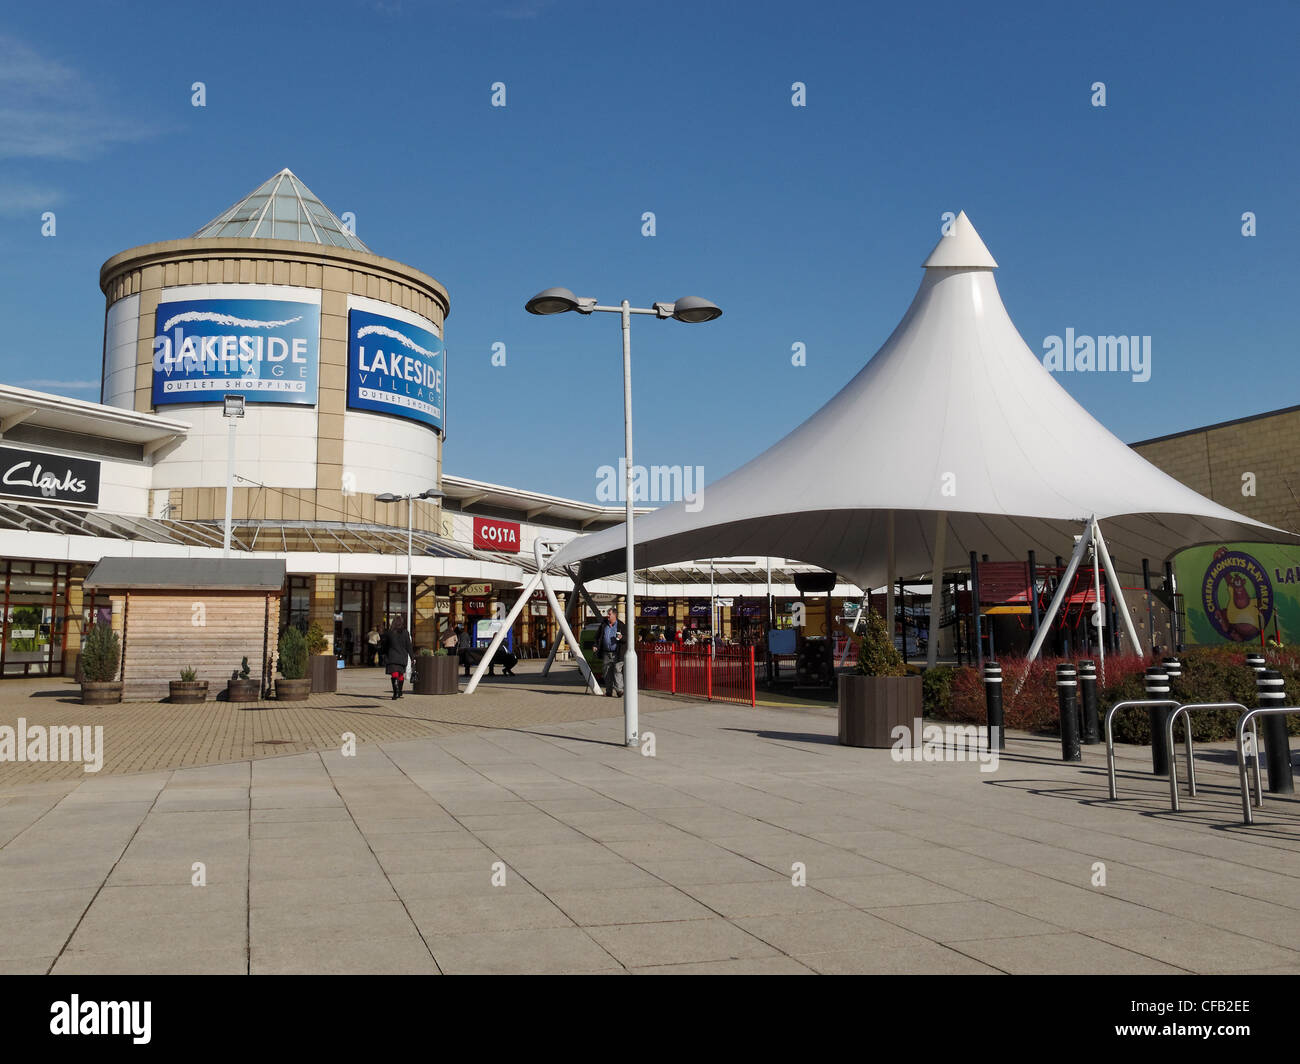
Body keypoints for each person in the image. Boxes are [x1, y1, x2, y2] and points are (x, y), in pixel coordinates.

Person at [595, 606, 626, 697]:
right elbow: (598, 637)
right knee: (606, 672)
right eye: (608, 614)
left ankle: (619, 690)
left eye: (609, 614)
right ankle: (609, 691)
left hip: (617, 652)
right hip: (606, 653)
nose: (607, 616)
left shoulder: (621, 625)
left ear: (614, 615)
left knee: (617, 669)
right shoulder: (604, 624)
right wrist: (595, 645)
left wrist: (622, 637)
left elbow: (627, 638)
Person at [384, 616, 414, 700]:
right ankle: (399, 691)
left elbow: (385, 646)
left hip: (392, 656)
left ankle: (396, 693)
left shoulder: (389, 632)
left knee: (394, 674)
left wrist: (384, 654)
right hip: (402, 657)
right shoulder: (405, 632)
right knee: (400, 674)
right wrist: (412, 657)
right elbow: (409, 646)